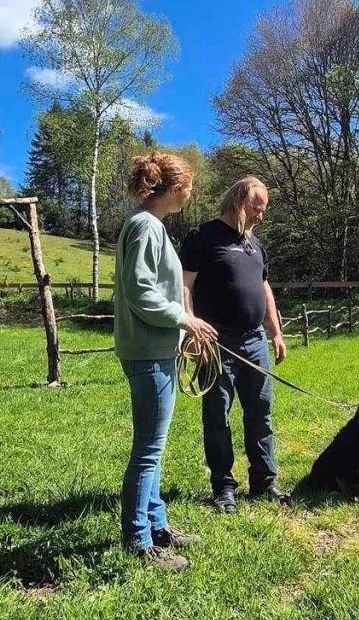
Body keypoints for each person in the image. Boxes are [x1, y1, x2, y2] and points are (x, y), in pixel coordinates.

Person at [114, 152, 217, 570]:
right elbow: (141, 292)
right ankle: (138, 541)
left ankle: (156, 526)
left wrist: (182, 326)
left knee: (153, 448)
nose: (190, 195)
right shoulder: (145, 226)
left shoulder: (149, 226)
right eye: (189, 187)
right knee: (148, 450)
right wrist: (185, 320)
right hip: (148, 351)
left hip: (156, 348)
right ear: (176, 188)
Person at [181, 176, 289, 513]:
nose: (261, 215)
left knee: (261, 413)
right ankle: (223, 487)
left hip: (255, 340)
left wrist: (275, 331)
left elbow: (264, 288)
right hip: (216, 343)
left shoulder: (254, 245)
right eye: (258, 207)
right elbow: (184, 286)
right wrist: (191, 328)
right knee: (218, 416)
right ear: (239, 201)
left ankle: (264, 481)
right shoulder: (203, 237)